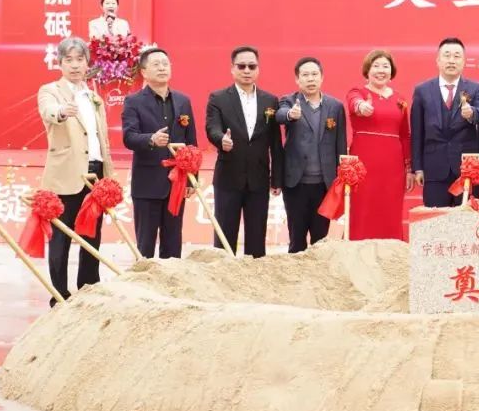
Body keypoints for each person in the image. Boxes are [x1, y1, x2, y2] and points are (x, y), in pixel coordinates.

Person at [36, 37, 117, 306]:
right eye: (68, 60)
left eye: (80, 60)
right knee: (61, 236)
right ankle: (60, 295)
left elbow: (102, 139)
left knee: (91, 234)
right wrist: (61, 111)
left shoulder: (94, 97)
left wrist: (109, 176)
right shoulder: (50, 91)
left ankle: (89, 287)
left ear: (87, 63)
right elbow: (49, 112)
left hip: (95, 173)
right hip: (66, 175)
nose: (74, 65)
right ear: (59, 63)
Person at [205, 46, 284, 257]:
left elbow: (275, 143)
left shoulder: (270, 100)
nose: (247, 70)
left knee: (257, 238)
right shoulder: (218, 98)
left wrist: (276, 179)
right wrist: (221, 140)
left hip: (259, 179)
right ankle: (223, 274)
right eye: (241, 66)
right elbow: (212, 128)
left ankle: (255, 275)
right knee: (224, 238)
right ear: (232, 69)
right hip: (228, 178)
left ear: (258, 69)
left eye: (252, 66)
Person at [121, 47, 197, 259]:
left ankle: (171, 280)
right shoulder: (134, 101)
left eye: (165, 63)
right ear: (144, 72)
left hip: (177, 183)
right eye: (156, 64)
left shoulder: (183, 101)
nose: (162, 68)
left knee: (173, 246)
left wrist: (192, 178)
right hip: (147, 184)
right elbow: (128, 137)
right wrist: (150, 139)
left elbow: (191, 142)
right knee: (145, 246)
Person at [277, 57, 347, 252]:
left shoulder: (335, 106)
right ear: (297, 80)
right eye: (305, 75)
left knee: (320, 239)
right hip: (296, 183)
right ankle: (295, 271)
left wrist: (341, 178)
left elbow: (340, 144)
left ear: (322, 77)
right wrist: (291, 115)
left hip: (324, 184)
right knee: (296, 238)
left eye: (314, 74)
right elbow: (280, 115)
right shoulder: (289, 101)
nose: (310, 79)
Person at [411, 38, 479, 207]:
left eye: (457, 56)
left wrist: (472, 113)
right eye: (447, 55)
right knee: (436, 219)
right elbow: (417, 132)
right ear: (438, 60)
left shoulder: (476, 88)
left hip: (467, 169)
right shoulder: (422, 90)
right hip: (434, 168)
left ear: (464, 61)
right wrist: (417, 167)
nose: (451, 60)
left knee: (466, 219)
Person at [346, 49, 412, 239]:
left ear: (392, 71)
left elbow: (405, 135)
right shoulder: (358, 92)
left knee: (390, 210)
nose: (381, 70)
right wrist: (361, 106)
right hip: (363, 164)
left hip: (393, 166)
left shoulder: (400, 99)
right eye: (376, 66)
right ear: (367, 70)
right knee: (363, 209)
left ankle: (390, 253)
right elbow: (354, 103)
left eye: (385, 66)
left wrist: (408, 168)